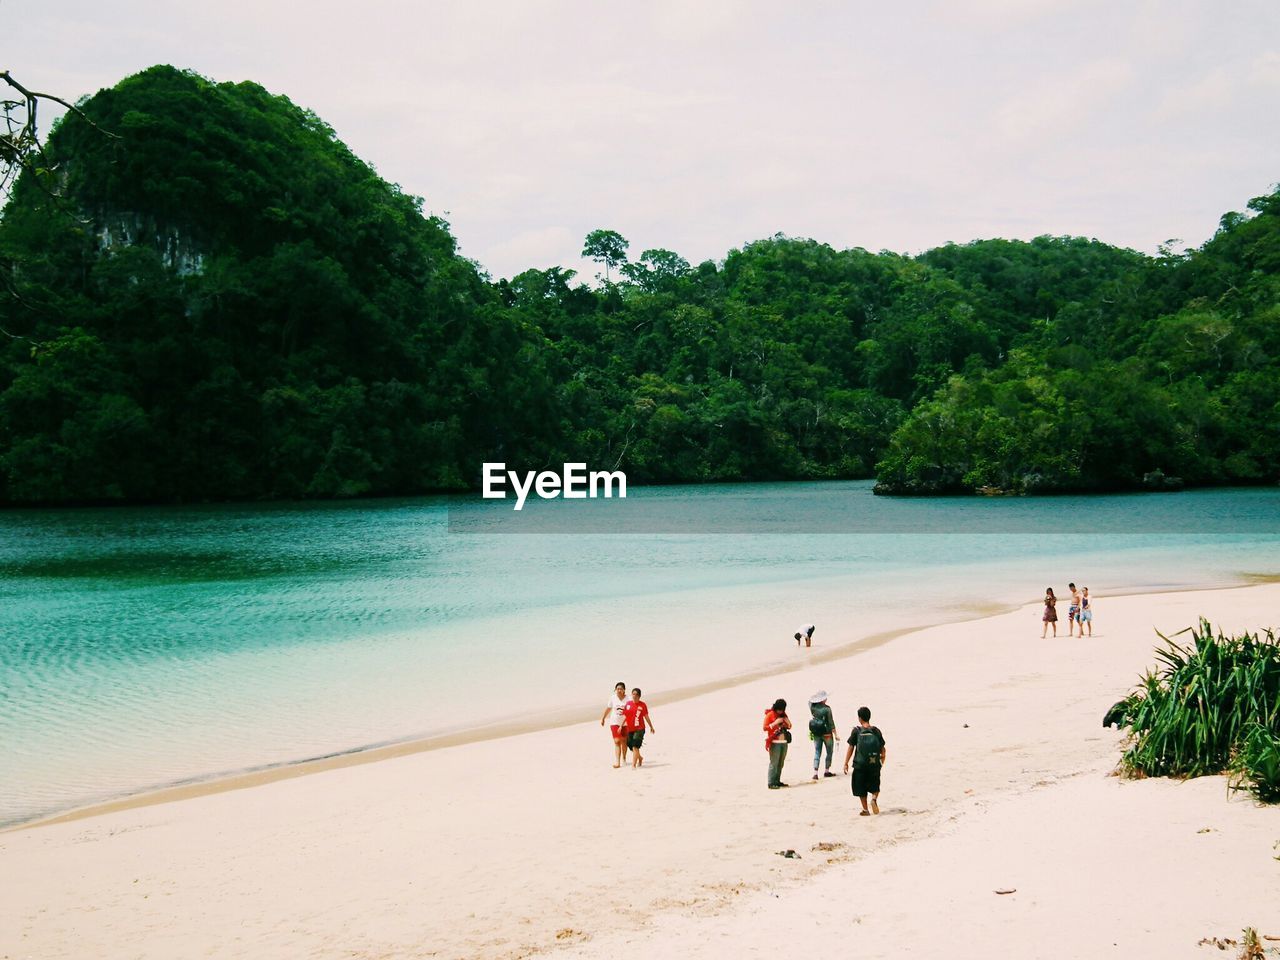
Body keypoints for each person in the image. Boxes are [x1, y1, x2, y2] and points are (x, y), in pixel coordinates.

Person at [842, 706, 886, 816]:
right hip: (874, 764)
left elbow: (851, 747)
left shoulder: (856, 731)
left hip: (860, 764)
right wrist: (881, 762)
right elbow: (883, 750)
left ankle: (866, 810)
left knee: (861, 787)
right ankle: (874, 799)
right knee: (875, 785)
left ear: (860, 718)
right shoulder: (876, 731)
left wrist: (846, 762)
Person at [621, 687, 655, 769]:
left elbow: (646, 716)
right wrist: (621, 726)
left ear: (639, 696)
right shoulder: (628, 704)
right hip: (630, 728)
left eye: (636, 694)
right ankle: (640, 758)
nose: (634, 696)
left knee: (635, 746)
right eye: (633, 694)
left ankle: (633, 765)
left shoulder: (642, 705)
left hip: (640, 728)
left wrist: (651, 726)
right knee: (631, 745)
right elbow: (626, 716)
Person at [808, 691, 838, 781]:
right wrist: (836, 734)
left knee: (817, 751)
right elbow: (831, 722)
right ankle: (826, 770)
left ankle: (815, 772)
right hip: (827, 733)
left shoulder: (813, 707)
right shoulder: (827, 709)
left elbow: (809, 702)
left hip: (816, 732)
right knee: (829, 752)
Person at [599, 681, 630, 768]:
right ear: (615, 690)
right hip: (614, 722)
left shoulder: (629, 699)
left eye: (621, 689)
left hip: (625, 723)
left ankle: (624, 758)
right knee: (617, 741)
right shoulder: (613, 698)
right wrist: (603, 718)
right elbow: (609, 708)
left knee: (624, 741)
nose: (619, 690)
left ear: (624, 690)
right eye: (617, 689)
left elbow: (631, 710)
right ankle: (617, 762)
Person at [763, 698, 792, 788]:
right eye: (779, 709)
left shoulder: (783, 715)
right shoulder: (770, 715)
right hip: (774, 742)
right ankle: (771, 782)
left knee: (781, 763)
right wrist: (775, 723)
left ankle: (777, 780)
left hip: (784, 742)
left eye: (782, 710)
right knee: (774, 763)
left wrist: (788, 723)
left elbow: (790, 726)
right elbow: (765, 728)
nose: (781, 711)